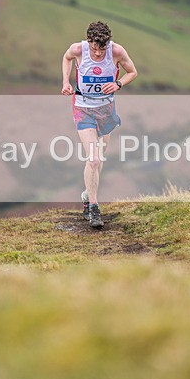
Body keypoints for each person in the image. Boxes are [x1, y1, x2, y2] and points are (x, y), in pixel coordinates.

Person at [61, 21, 138, 228]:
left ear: (108, 44)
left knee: (100, 157)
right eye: (94, 48)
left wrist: (118, 83)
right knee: (93, 159)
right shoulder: (78, 49)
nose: (97, 53)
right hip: (83, 108)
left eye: (101, 48)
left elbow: (133, 72)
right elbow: (66, 58)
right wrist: (66, 82)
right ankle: (93, 208)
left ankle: (87, 194)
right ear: (89, 42)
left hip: (106, 110)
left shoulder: (117, 51)